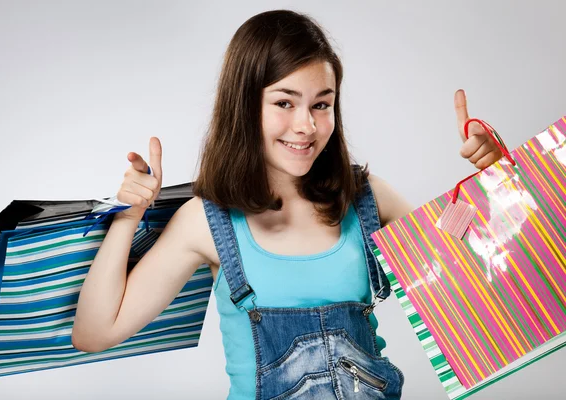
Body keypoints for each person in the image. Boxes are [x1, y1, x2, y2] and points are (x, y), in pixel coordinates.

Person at [71, 9, 503, 399]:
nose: (307, 125)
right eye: (284, 102)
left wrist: (498, 180)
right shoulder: (207, 220)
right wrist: (128, 218)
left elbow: (477, 271)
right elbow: (95, 332)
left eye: (322, 104)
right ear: (244, 106)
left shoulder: (367, 196)